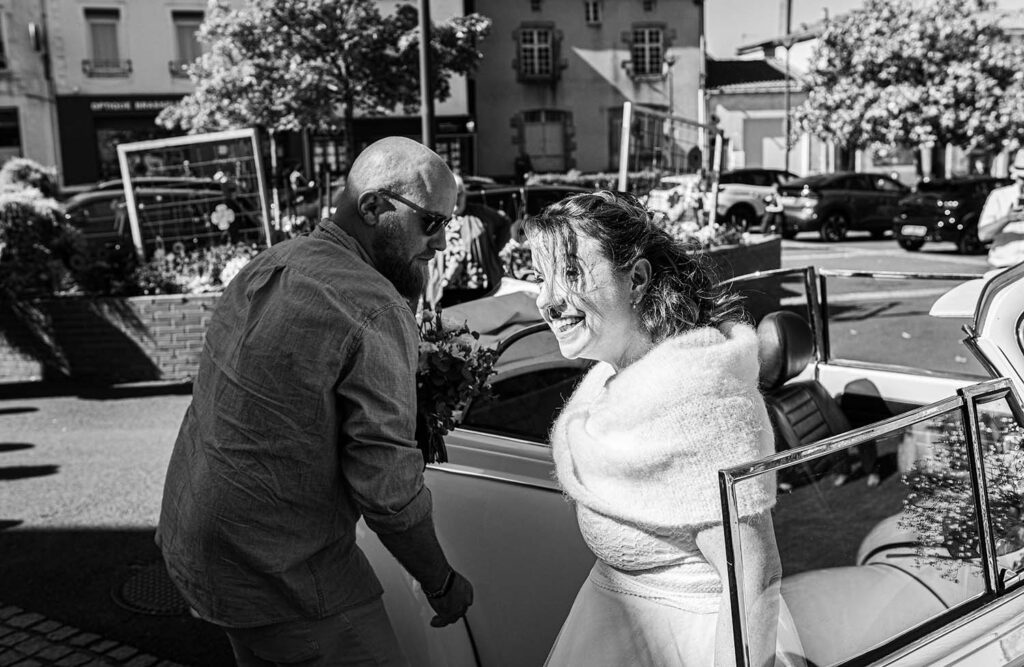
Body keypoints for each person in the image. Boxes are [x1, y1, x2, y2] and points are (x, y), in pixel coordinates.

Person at [157, 136, 473, 666]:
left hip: (205, 549)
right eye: (432, 222)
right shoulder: (374, 306)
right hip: (284, 572)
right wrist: (441, 582)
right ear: (373, 207)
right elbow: (388, 489)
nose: (440, 243)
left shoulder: (272, 261)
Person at [524, 191, 802, 666]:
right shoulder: (613, 380)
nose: (546, 300)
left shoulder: (699, 401)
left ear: (636, 279)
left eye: (570, 274)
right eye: (540, 277)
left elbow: (754, 577)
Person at [437, 174, 512, 307]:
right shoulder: (438, 216)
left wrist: (496, 248)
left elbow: (504, 222)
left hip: (478, 286)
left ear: (465, 194)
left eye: (460, 194)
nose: (456, 200)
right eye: (453, 195)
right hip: (447, 288)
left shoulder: (479, 213)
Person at [978, 149, 1024, 268]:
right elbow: (983, 235)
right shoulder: (999, 196)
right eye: (1022, 179)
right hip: (1002, 267)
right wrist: (1007, 219)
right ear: (1015, 176)